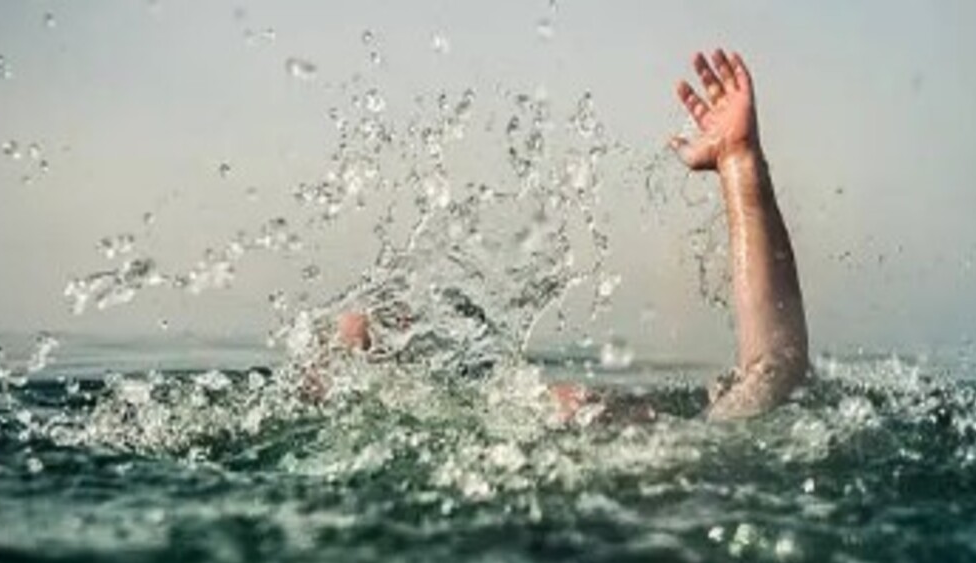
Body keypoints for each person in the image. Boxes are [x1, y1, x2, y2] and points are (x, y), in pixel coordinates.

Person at [334, 49, 808, 422]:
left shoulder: (512, 437)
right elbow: (775, 368)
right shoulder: (668, 451)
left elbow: (774, 368)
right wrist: (740, 164)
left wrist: (738, 160)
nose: (578, 394)